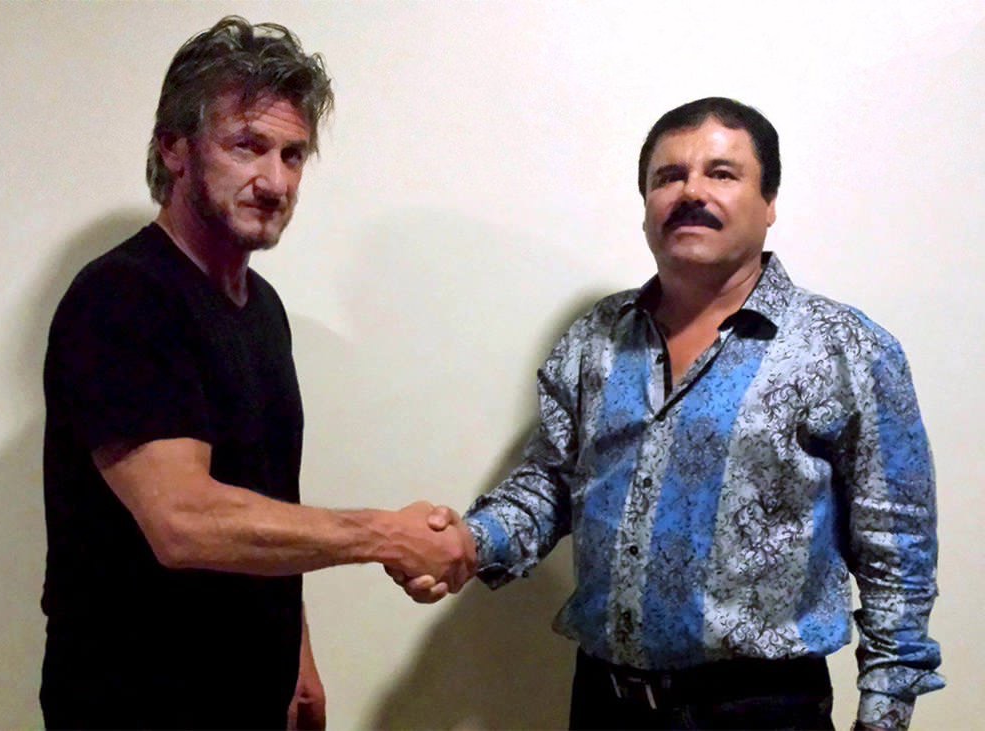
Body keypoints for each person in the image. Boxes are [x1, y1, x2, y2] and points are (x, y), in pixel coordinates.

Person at [395, 97, 943, 730]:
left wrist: (884, 716)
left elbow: (897, 551)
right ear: (647, 204)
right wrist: (467, 542)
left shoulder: (845, 349)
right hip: (604, 704)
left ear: (769, 202)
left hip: (761, 712)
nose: (691, 192)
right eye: (669, 177)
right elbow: (549, 485)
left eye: (722, 173)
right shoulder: (596, 337)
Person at [40, 16, 474, 730]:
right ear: (175, 148)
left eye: (293, 155)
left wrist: (296, 652)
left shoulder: (261, 307)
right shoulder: (123, 297)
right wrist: (384, 535)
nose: (275, 181)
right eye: (247, 146)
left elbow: (263, 498)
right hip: (135, 703)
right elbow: (184, 521)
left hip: (248, 694)